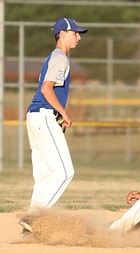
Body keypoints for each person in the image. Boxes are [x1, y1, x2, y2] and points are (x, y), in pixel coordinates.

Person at [19, 18, 88, 236]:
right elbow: (48, 89)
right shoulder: (61, 58)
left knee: (45, 175)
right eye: (74, 32)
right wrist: (64, 112)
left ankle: (28, 231)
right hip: (45, 117)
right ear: (62, 34)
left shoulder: (53, 57)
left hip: (36, 117)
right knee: (65, 172)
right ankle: (33, 218)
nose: (78, 36)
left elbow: (42, 89)